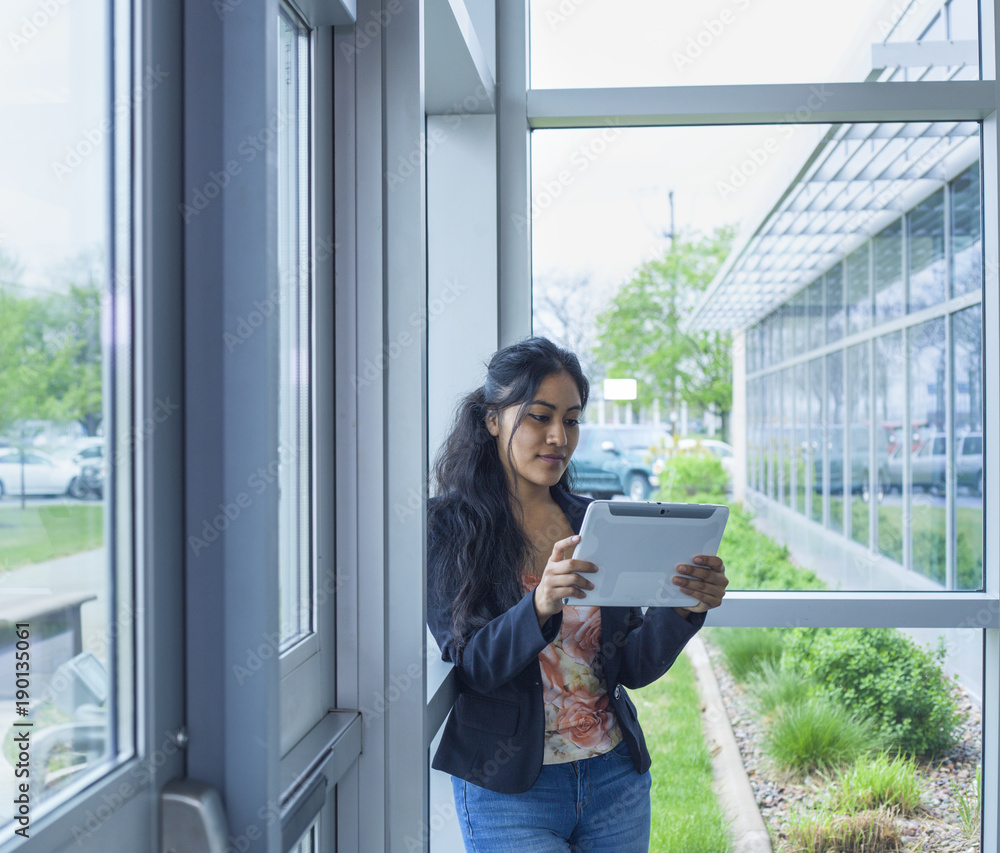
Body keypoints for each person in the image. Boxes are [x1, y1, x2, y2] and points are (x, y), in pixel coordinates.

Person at [426, 336, 729, 852]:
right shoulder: (449, 527)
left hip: (614, 781)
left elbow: (629, 666)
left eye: (570, 420)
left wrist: (684, 607)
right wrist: (540, 603)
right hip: (511, 794)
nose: (557, 437)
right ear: (492, 419)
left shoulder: (595, 521)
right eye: (539, 417)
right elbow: (472, 665)